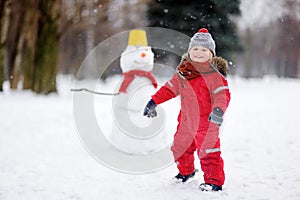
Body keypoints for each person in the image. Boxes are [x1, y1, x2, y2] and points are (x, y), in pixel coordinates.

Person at [143, 28, 230, 191]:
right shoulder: (183, 73)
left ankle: (214, 181)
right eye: (195, 49)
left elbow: (223, 95)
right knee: (179, 147)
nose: (198, 52)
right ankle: (186, 172)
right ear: (189, 51)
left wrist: (218, 110)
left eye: (204, 50)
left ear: (211, 54)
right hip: (186, 121)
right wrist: (153, 101)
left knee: (208, 151)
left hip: (206, 122)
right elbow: (169, 89)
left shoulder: (214, 75)